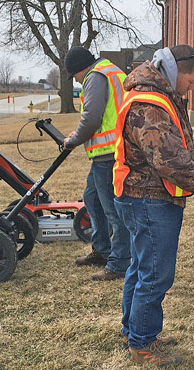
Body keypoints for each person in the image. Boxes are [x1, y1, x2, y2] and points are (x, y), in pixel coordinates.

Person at [112, 45, 194, 366]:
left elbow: (177, 149)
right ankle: (143, 345)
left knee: (140, 268)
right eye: (192, 82)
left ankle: (133, 331)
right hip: (149, 198)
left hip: (145, 195)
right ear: (177, 71)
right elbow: (169, 161)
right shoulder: (149, 104)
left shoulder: (162, 95)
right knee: (155, 275)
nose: (192, 89)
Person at [62, 46, 131, 281]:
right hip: (109, 151)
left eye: (75, 77)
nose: (77, 82)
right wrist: (78, 135)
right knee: (91, 198)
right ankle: (102, 250)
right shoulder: (110, 71)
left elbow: (91, 118)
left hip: (110, 153)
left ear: (79, 70)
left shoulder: (96, 76)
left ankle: (120, 263)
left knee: (113, 209)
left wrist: (73, 140)